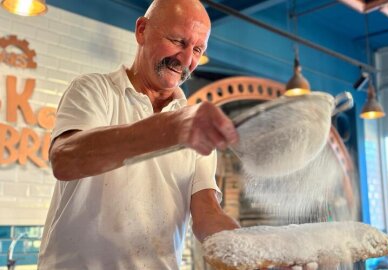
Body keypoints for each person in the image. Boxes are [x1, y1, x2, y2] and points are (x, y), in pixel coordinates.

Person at [38, 0, 240, 269]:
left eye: (198, 49)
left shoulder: (192, 124)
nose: (186, 59)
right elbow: (65, 160)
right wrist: (168, 129)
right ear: (142, 30)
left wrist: (257, 249)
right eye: (178, 40)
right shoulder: (95, 90)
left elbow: (207, 215)